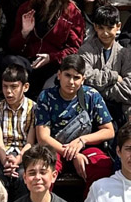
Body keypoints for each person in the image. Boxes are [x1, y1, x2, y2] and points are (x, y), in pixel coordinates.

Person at [34, 55, 116, 192]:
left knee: (103, 166)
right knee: (43, 169)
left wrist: (82, 140)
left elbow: (109, 130)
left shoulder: (92, 96)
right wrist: (72, 154)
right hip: (55, 149)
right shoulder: (46, 97)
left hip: (85, 148)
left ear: (83, 79)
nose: (71, 81)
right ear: (59, 75)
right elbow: (43, 137)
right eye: (67, 75)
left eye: (76, 77)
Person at [9, 0, 85, 91]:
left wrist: (51, 57)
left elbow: (74, 49)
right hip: (29, 63)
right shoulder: (27, 8)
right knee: (10, 63)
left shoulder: (71, 12)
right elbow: (13, 47)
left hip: (55, 66)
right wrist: (24, 33)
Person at [78, 4, 131, 124]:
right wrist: (114, 77)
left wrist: (97, 90)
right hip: (90, 114)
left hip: (120, 116)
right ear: (95, 27)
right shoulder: (85, 50)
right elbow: (84, 77)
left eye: (110, 27)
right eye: (101, 28)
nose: (105, 33)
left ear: (118, 27)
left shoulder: (126, 54)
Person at [0, 64, 37, 202]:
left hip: (25, 153)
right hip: (2, 152)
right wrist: (6, 160)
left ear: (25, 87)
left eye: (14, 87)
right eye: (5, 86)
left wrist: (17, 160)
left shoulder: (33, 109)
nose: (9, 92)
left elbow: (30, 141)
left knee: (24, 176)